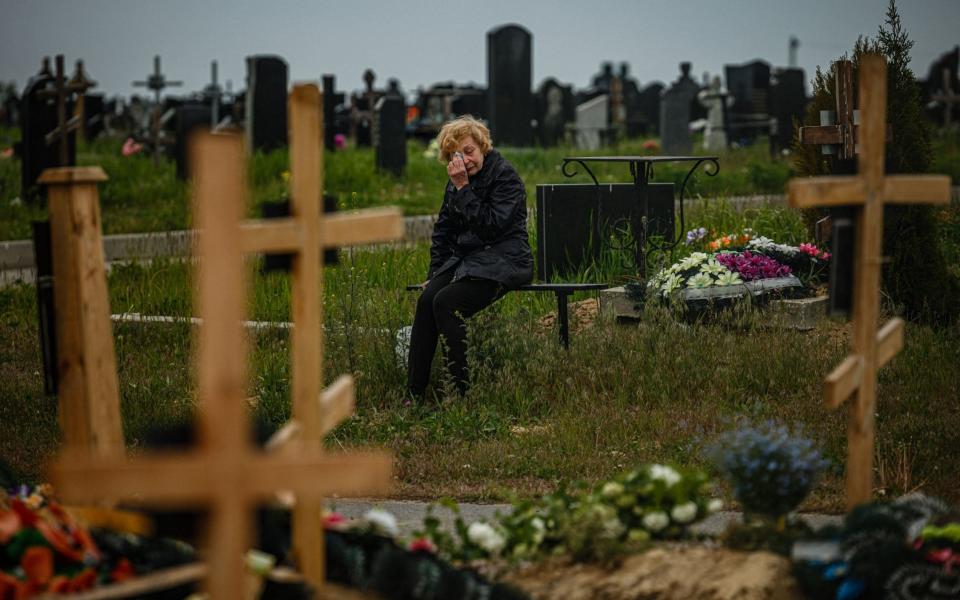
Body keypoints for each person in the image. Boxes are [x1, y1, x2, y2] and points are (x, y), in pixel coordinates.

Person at [407, 116, 533, 397]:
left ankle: (460, 391)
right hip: (470, 262)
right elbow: (443, 233)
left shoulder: (505, 177)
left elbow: (491, 227)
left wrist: (464, 189)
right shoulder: (456, 183)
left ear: (482, 146)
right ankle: (413, 393)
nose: (464, 160)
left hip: (506, 260)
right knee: (427, 300)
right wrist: (434, 275)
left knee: (447, 303)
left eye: (468, 151)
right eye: (455, 155)